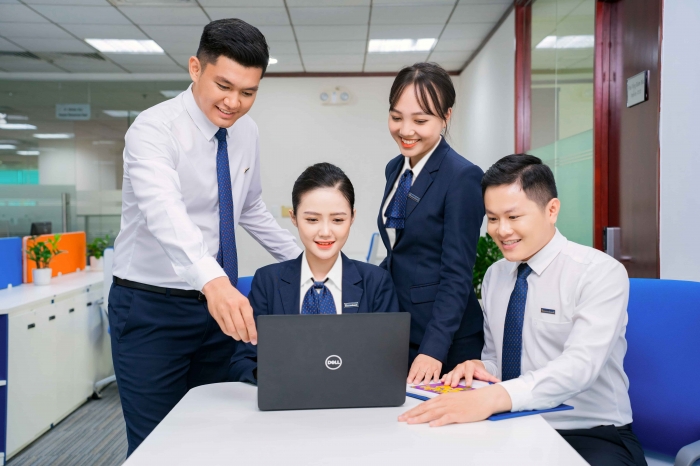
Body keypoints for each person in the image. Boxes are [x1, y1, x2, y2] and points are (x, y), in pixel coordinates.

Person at [109, 19, 301, 455]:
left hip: (217, 313)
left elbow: (248, 206)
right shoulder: (153, 129)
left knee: (216, 437)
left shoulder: (246, 132)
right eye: (224, 86)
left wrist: (303, 259)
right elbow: (165, 213)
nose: (234, 102)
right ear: (196, 68)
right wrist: (214, 281)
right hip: (151, 308)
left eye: (248, 92)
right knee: (157, 446)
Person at [398, 154, 647, 466]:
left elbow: (580, 367)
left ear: (551, 210)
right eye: (492, 219)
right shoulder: (496, 275)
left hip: (588, 432)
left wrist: (493, 398)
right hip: (510, 423)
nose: (502, 231)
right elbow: (498, 359)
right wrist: (480, 367)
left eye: (514, 217)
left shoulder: (598, 272)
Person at [230, 163, 400, 383]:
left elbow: (389, 361)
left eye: (338, 220)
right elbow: (242, 362)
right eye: (312, 220)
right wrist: (277, 381)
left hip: (354, 397)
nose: (325, 232)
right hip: (285, 397)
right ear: (293, 217)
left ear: (352, 217)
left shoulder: (376, 282)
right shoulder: (267, 281)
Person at [378, 62, 485, 385]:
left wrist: (434, 349)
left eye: (420, 120)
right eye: (396, 117)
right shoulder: (395, 168)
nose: (405, 130)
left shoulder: (462, 177)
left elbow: (457, 273)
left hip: (445, 338)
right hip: (403, 324)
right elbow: (401, 248)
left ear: (446, 116)